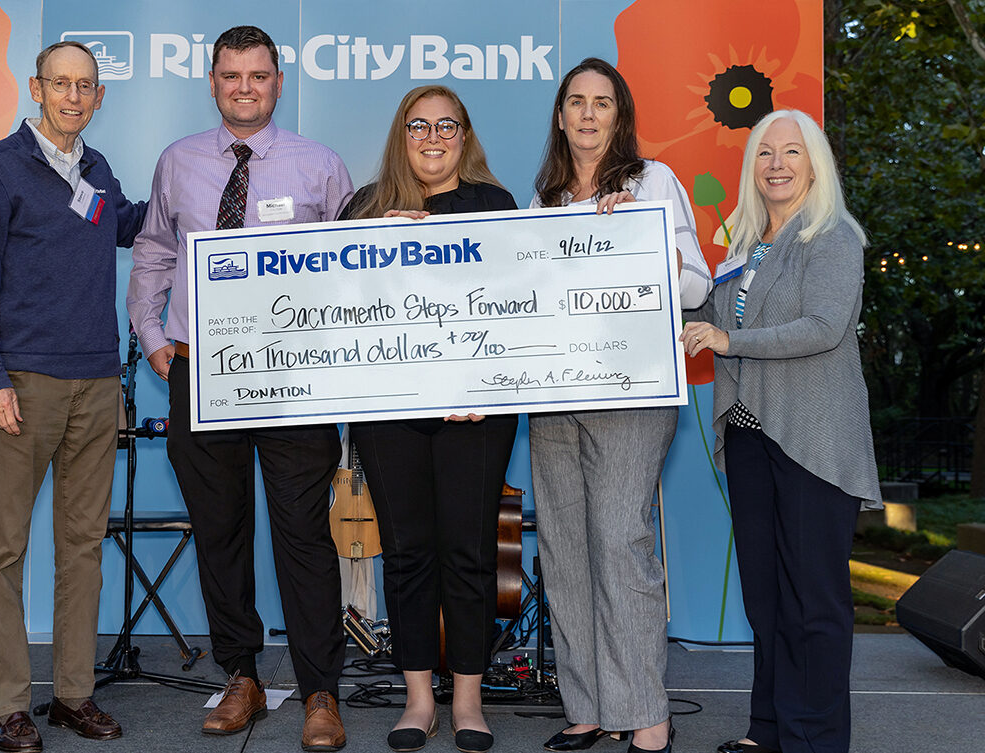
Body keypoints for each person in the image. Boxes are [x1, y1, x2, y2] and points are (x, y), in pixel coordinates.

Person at [125, 25, 353, 753]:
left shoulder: (320, 166)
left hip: (293, 378)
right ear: (213, 81)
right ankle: (242, 676)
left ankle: (321, 689)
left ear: (278, 82)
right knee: (220, 530)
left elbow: (352, 268)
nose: (245, 87)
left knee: (302, 535)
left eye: (258, 75)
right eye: (231, 75)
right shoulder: (178, 162)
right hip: (202, 369)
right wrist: (155, 340)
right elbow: (155, 250)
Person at [0, 40, 146, 753]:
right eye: (60, 83)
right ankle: (7, 705)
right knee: (4, 550)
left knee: (83, 547)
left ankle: (72, 696)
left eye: (85, 86)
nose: (73, 96)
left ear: (99, 97)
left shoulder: (97, 169)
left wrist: (193, 200)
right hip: (22, 385)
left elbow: (127, 223)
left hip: (97, 384)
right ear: (37, 87)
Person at [526, 57, 712, 753]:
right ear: (561, 115)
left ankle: (645, 713)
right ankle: (588, 706)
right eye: (576, 101)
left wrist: (642, 234)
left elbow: (695, 283)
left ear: (619, 115)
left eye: (602, 102)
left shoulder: (651, 180)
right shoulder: (541, 199)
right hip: (555, 395)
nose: (588, 114)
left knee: (619, 541)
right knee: (566, 547)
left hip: (631, 390)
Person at [680, 109, 880, 753]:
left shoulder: (834, 236)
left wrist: (728, 338)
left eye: (792, 152)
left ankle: (815, 740)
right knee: (766, 600)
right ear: (751, 166)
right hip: (749, 436)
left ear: (814, 163)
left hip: (813, 440)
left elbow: (824, 326)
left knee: (814, 603)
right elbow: (702, 312)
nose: (777, 163)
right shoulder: (745, 243)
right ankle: (770, 730)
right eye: (766, 153)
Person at [339, 85, 519, 753]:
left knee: (470, 551)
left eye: (447, 125)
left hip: (474, 408)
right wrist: (376, 242)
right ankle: (419, 699)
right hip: (388, 410)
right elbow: (334, 306)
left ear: (466, 136)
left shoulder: (497, 207)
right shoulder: (362, 207)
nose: (432, 136)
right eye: (419, 125)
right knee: (409, 552)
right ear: (401, 134)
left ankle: (468, 700)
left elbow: (514, 303)